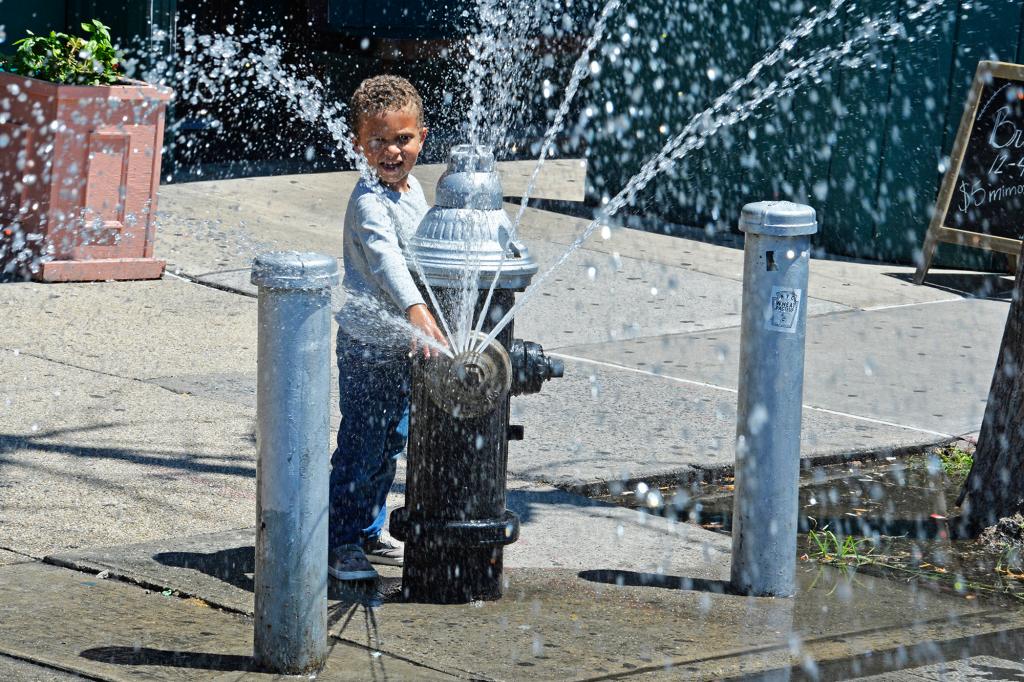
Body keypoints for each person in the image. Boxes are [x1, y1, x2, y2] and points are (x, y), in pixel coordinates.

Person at [329, 75, 447, 581]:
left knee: (390, 442)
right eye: (378, 141)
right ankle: (337, 542)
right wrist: (416, 309)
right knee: (361, 445)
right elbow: (385, 262)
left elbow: (421, 252)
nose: (392, 151)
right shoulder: (369, 202)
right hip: (367, 347)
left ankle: (367, 530)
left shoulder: (412, 189)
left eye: (402, 139)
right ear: (359, 143)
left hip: (401, 347)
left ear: (421, 136)